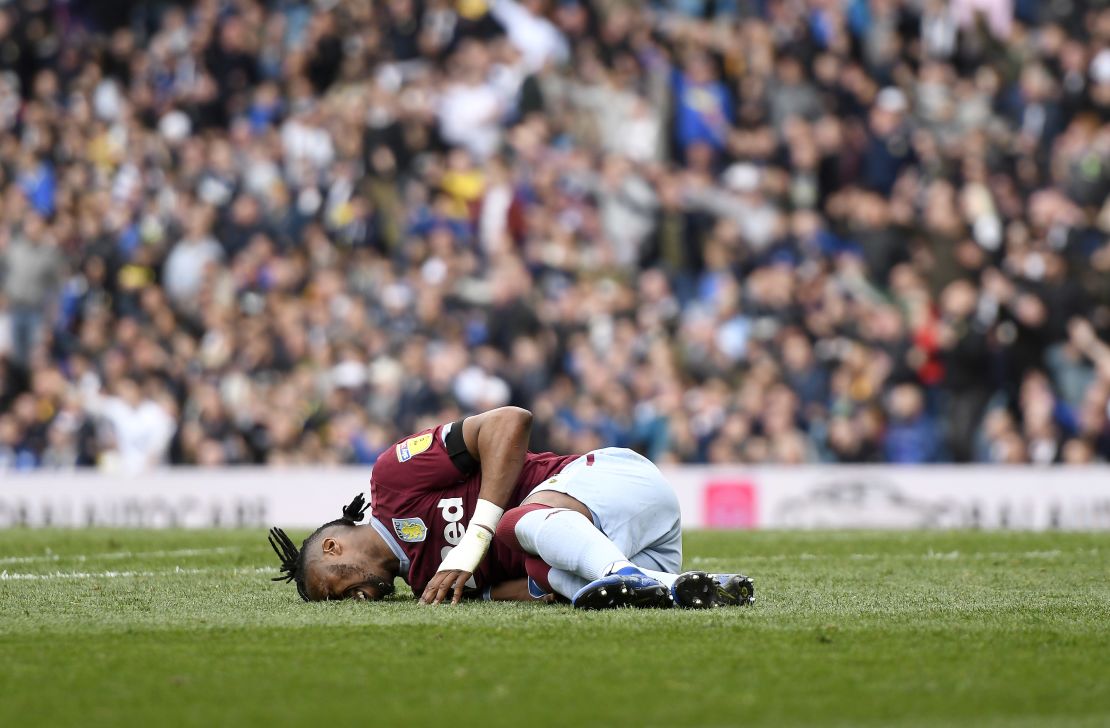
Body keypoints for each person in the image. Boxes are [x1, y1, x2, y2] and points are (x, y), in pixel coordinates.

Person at [268, 407, 754, 610]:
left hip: (613, 481)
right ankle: (678, 585)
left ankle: (621, 575)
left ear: (332, 546)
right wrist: (555, 592)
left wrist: (476, 535)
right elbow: (517, 588)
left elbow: (509, 422)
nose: (356, 599)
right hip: (630, 545)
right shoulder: (426, 585)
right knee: (553, 579)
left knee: (511, 528)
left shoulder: (391, 480)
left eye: (336, 588)